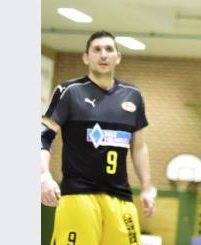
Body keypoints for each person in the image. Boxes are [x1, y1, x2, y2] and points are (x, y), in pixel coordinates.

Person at [41, 30, 156, 245]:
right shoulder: (69, 91)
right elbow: (43, 136)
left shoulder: (133, 95)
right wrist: (44, 176)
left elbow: (139, 147)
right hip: (78, 196)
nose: (103, 55)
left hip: (120, 198)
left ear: (118, 57)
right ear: (86, 58)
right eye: (97, 49)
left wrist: (147, 188)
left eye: (109, 49)